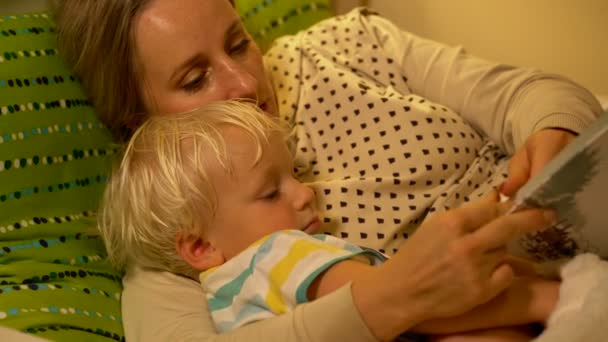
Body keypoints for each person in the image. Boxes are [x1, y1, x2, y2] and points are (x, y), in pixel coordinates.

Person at [53, 0, 604, 340]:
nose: (245, 84)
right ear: (137, 122)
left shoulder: (341, 45)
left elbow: (534, 93)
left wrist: (555, 143)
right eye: (195, 79)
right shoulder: (179, 223)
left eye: (239, 43)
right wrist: (388, 302)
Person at [99, 100, 558, 341]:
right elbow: (419, 307)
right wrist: (546, 297)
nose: (305, 192)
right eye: (270, 192)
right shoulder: (276, 254)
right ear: (200, 248)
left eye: (294, 174)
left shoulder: (233, 294)